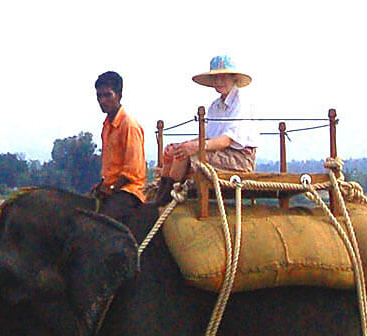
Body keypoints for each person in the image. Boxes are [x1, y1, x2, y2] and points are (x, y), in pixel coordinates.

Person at [153, 55, 259, 205]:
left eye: (223, 77)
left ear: (233, 78)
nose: (219, 82)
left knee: (184, 156)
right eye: (215, 78)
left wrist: (195, 147)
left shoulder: (242, 103)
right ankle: (161, 193)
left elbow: (227, 140)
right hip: (216, 151)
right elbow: (208, 137)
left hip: (239, 158)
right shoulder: (215, 105)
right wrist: (183, 145)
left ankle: (164, 201)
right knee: (176, 152)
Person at [93, 71, 147, 219]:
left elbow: (132, 171)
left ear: (119, 95)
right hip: (110, 188)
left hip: (128, 191)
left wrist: (111, 189)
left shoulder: (129, 125)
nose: (102, 100)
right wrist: (101, 187)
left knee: (101, 223)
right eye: (99, 96)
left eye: (107, 95)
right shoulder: (107, 126)